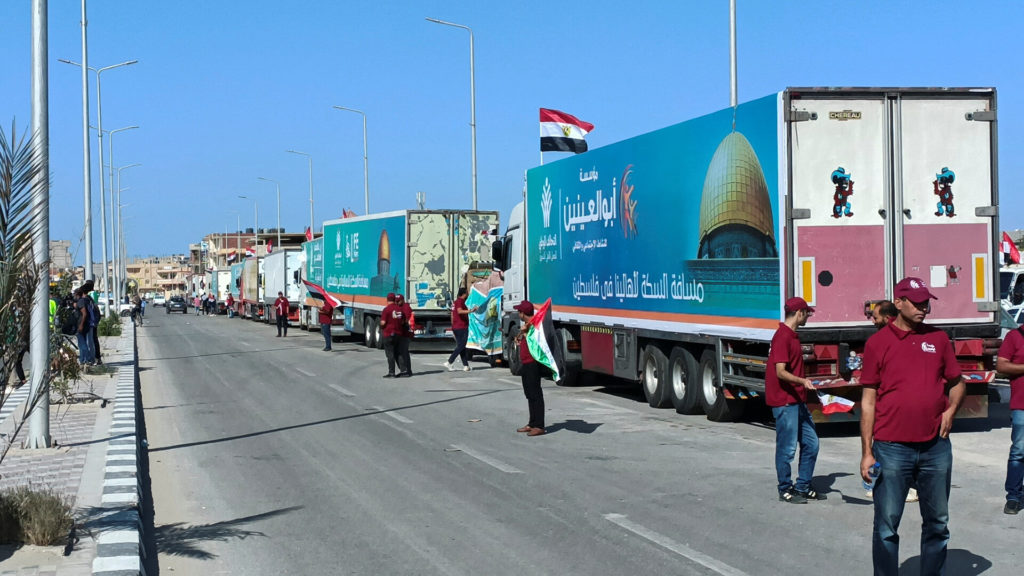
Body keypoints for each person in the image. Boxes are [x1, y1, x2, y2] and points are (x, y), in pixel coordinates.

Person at [860, 277, 963, 576]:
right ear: (899, 302)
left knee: (938, 524)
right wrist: (867, 452)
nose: (924, 308)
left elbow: (957, 383)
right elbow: (868, 402)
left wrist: (952, 409)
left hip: (935, 448)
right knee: (887, 526)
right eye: (917, 303)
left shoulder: (939, 339)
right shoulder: (878, 343)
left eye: (926, 302)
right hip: (891, 449)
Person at [766, 296, 821, 503]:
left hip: (798, 400)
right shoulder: (783, 336)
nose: (808, 316)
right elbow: (780, 371)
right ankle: (785, 488)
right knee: (787, 448)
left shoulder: (793, 336)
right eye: (807, 313)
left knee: (812, 443)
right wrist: (802, 381)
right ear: (799, 313)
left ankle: (803, 486)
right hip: (785, 401)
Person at [867, 299, 919, 504]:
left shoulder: (891, 340)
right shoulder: (881, 339)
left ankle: (908, 487)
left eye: (875, 317)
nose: (873, 321)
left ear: (888, 317)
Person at [997, 321, 1024, 515]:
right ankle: (1013, 497)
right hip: (1022, 405)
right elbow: (1002, 365)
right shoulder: (1014, 337)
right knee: (1019, 452)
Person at [514, 300, 545, 436]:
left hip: (533, 363)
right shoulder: (527, 325)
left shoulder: (535, 325)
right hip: (525, 362)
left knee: (535, 394)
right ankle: (532, 423)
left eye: (519, 311)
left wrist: (526, 333)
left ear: (523, 313)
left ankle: (539, 425)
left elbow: (538, 342)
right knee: (529, 394)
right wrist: (521, 339)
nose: (518, 313)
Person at [443, 287, 474, 372]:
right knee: (462, 345)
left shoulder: (455, 302)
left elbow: (452, 315)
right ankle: (450, 361)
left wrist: (453, 326)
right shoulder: (460, 302)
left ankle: (466, 366)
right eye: (467, 293)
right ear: (464, 294)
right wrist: (471, 311)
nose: (468, 294)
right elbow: (460, 311)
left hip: (456, 327)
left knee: (461, 347)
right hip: (461, 327)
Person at [380, 293, 404, 378]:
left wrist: (381, 326)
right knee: (398, 353)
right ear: (394, 299)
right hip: (398, 333)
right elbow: (402, 321)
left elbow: (383, 323)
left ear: (387, 299)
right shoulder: (399, 309)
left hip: (388, 333)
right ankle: (403, 371)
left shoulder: (386, 310)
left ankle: (391, 372)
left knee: (390, 354)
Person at [82, 279, 103, 366]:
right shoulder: (94, 294)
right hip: (94, 318)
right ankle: (97, 358)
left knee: (91, 339)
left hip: (91, 320)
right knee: (94, 339)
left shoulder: (89, 295)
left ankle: (94, 358)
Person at [75, 288, 96, 365]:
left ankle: (88, 359)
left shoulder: (80, 302)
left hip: (82, 325)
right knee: (81, 343)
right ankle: (83, 360)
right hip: (85, 324)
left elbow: (84, 313)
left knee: (82, 343)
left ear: (77, 295)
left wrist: (81, 325)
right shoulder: (84, 301)